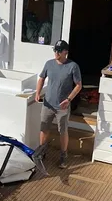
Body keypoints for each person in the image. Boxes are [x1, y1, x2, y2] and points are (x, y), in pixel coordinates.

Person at [35, 40, 82, 168]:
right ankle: (41, 152)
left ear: (65, 52)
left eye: (59, 51)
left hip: (63, 106)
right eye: (55, 50)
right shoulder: (49, 64)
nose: (56, 53)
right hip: (48, 104)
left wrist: (69, 99)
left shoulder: (73, 66)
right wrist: (38, 92)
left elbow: (78, 85)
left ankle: (63, 156)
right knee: (44, 129)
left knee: (63, 131)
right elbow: (41, 78)